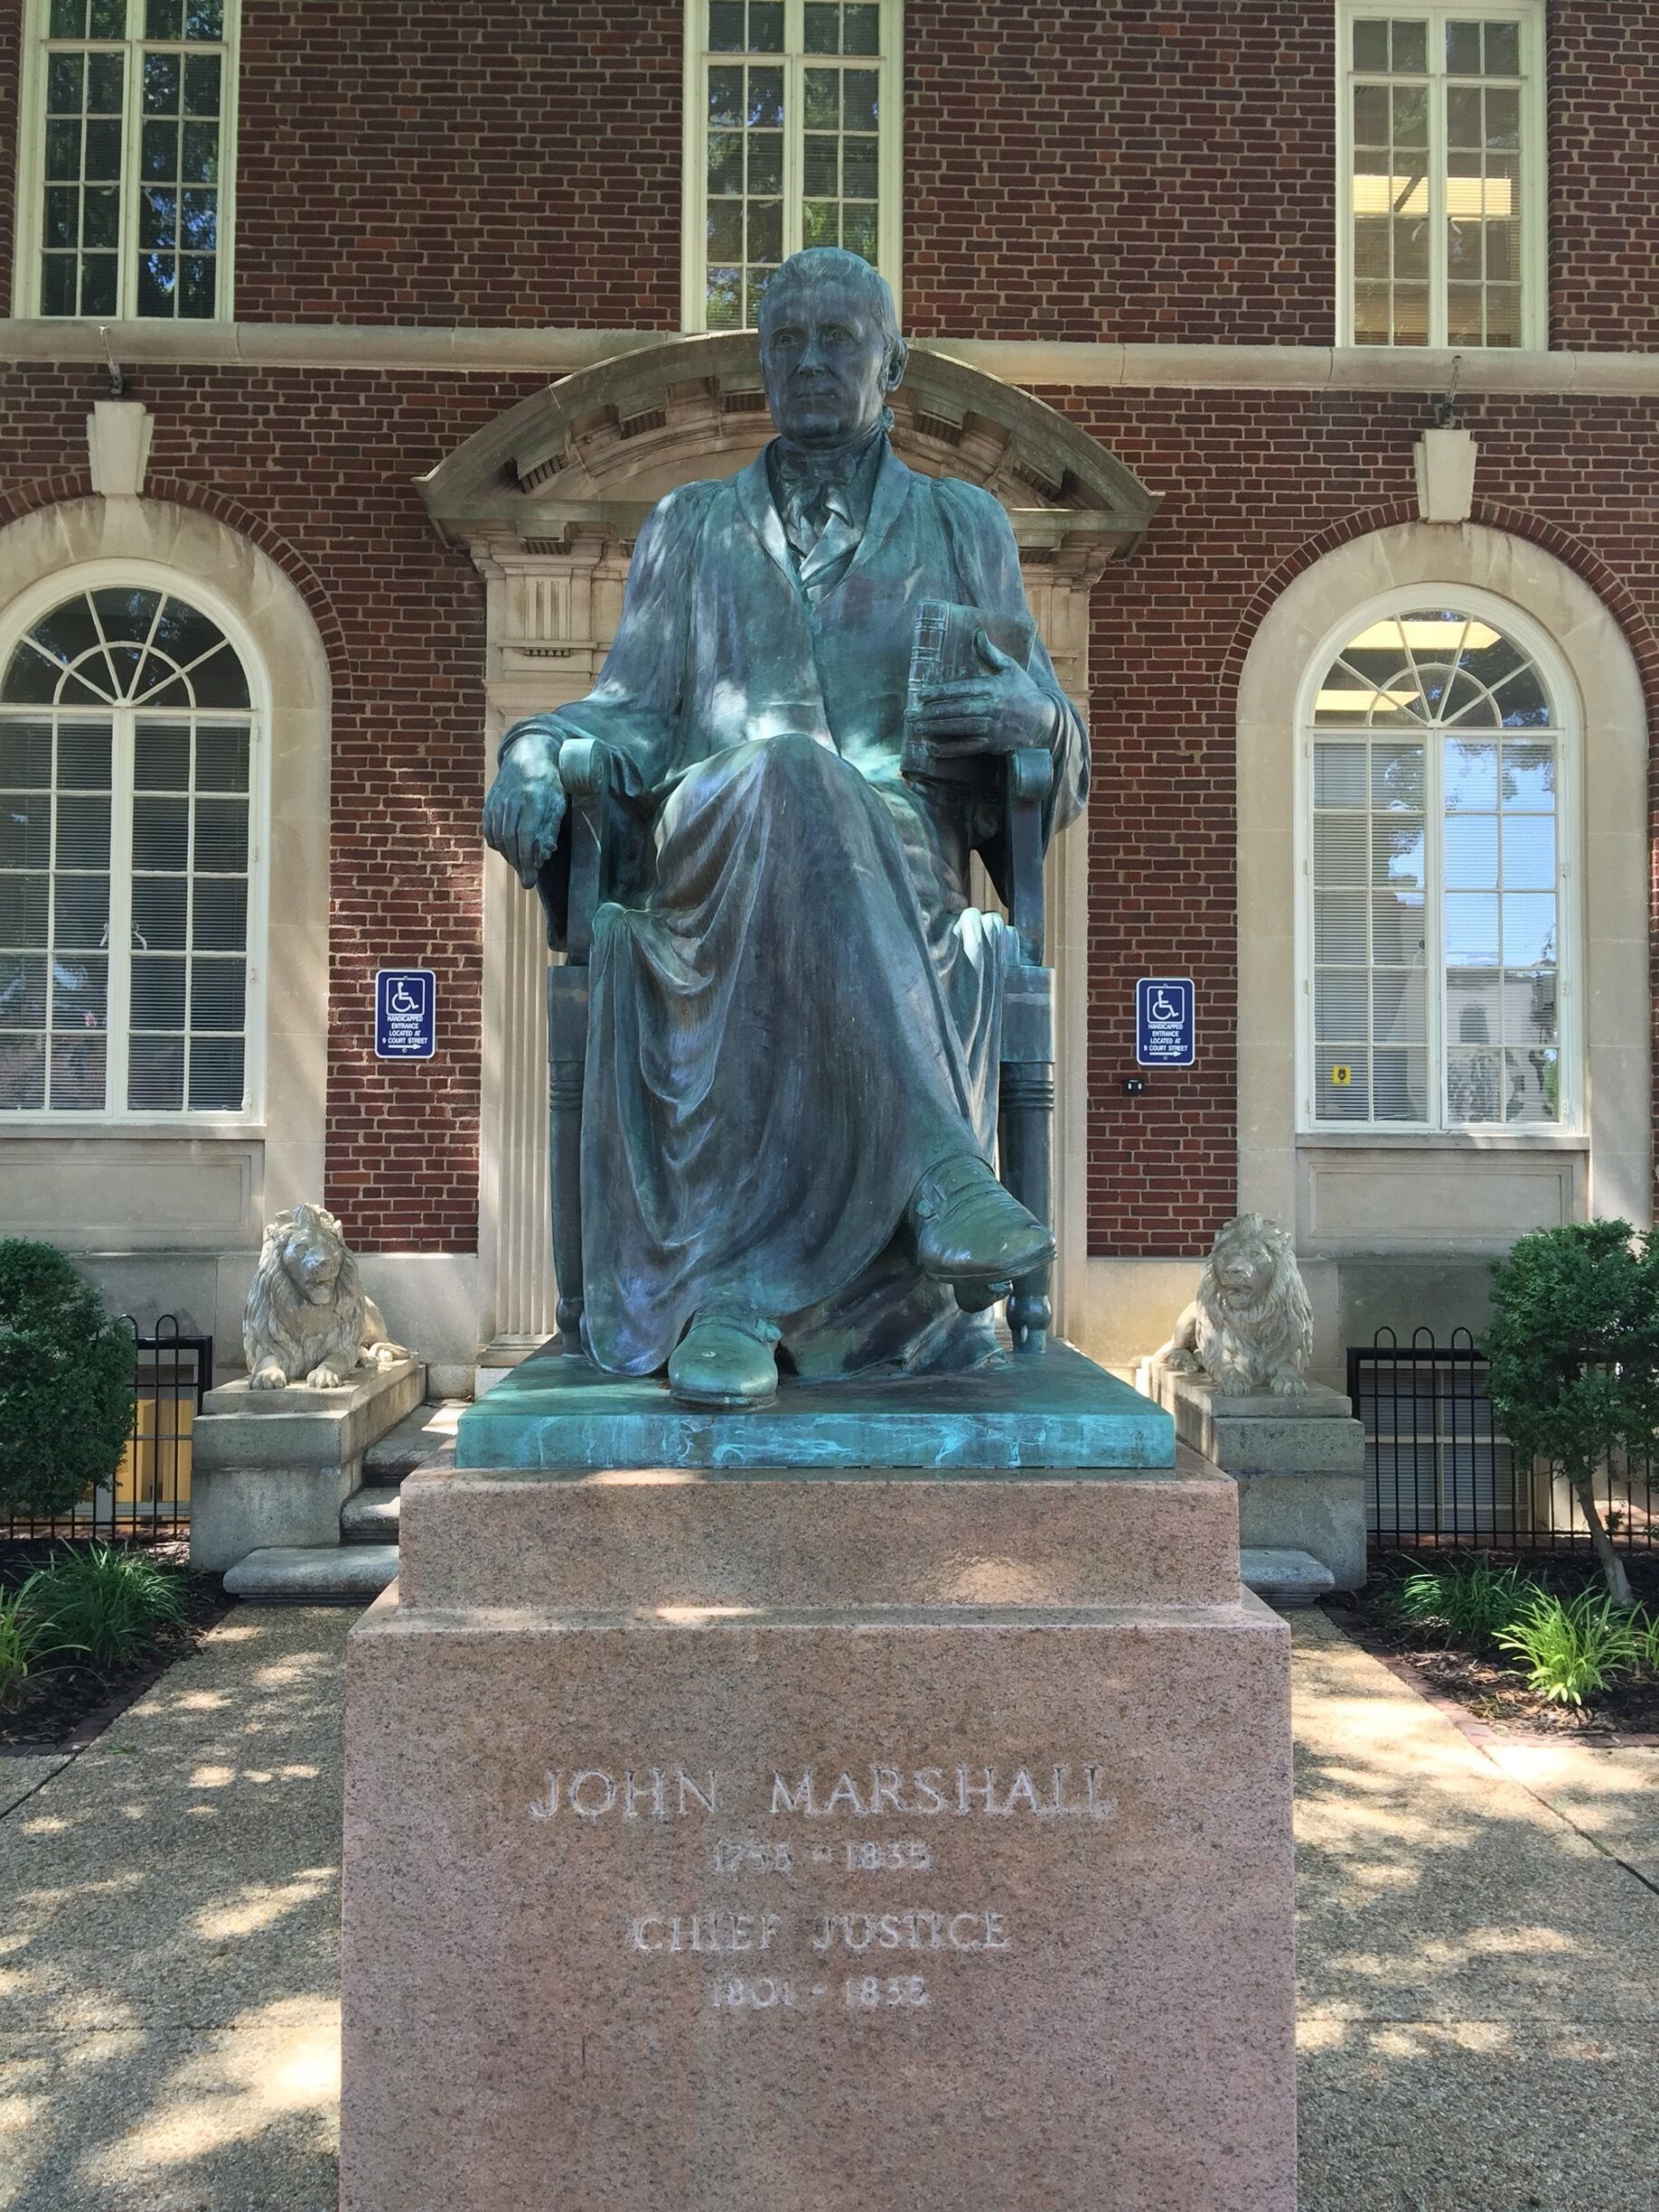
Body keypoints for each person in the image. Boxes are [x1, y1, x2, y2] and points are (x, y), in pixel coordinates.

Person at [482, 248, 1089, 1409]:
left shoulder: (964, 526)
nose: (810, 361)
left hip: (900, 866)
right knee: (783, 773)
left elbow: (1052, 743)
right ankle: (943, 1176)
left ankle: (733, 1298)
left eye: (839, 339)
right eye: (787, 341)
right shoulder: (691, 525)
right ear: (764, 362)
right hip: (714, 854)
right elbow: (629, 712)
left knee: (814, 790)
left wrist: (1036, 716)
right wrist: (531, 750)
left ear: (893, 363)